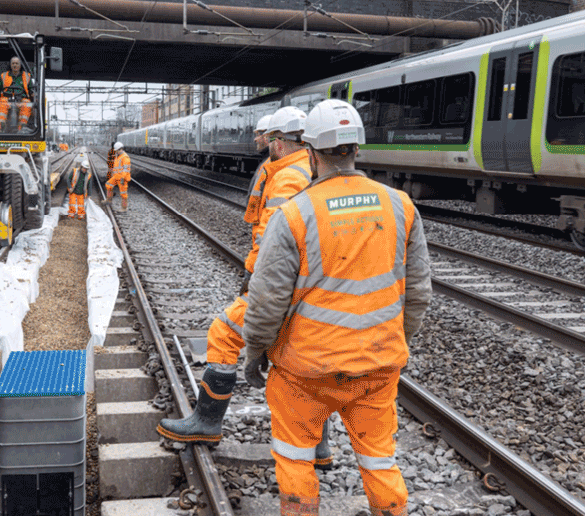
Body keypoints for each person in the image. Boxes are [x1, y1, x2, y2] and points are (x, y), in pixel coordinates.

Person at [242, 99, 432, 516]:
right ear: (356, 150)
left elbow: (266, 300)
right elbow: (418, 293)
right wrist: (393, 342)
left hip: (305, 371)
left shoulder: (295, 213)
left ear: (310, 153)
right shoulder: (401, 206)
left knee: (295, 458)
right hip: (377, 369)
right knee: (380, 461)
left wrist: (255, 352)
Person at [157, 106, 335, 469]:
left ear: (280, 142)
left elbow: (275, 241)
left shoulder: (288, 178)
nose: (261, 143)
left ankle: (206, 422)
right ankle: (318, 445)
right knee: (295, 356)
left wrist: (256, 281)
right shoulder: (305, 169)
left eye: (266, 138)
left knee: (223, 333)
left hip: (280, 287)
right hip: (306, 285)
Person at [0, 57, 36, 133]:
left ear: (20, 65)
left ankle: (22, 127)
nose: (15, 65)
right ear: (10, 65)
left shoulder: (27, 76)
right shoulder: (4, 76)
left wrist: (34, 96)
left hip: (21, 99)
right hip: (7, 99)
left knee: (27, 104)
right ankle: (1, 126)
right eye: (13, 63)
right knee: (2, 103)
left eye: (17, 63)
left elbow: (31, 90)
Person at [105, 141, 131, 212]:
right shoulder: (118, 156)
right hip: (116, 176)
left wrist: (122, 178)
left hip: (122, 178)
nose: (115, 152)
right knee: (108, 185)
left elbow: (126, 169)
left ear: (120, 149)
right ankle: (109, 200)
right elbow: (116, 167)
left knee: (123, 194)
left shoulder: (125, 157)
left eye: (116, 151)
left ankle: (124, 208)